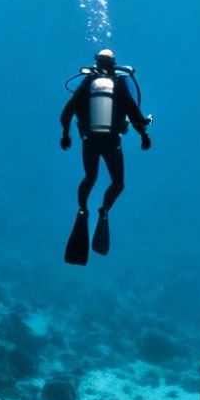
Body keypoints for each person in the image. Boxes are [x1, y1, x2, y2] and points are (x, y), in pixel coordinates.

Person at [58, 48, 150, 264]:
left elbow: (67, 112)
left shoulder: (88, 83)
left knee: (90, 177)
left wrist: (65, 135)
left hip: (89, 141)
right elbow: (134, 114)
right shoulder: (118, 84)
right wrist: (144, 135)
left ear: (96, 62)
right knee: (118, 183)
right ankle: (104, 210)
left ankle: (82, 209)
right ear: (114, 63)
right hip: (111, 142)